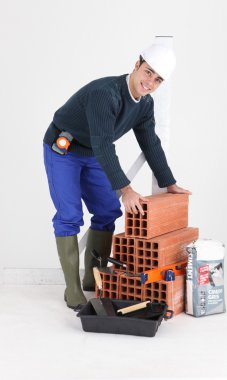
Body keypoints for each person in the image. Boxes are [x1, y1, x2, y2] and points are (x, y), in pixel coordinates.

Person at [43, 43, 191, 311]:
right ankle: (73, 288)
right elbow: (103, 144)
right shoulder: (105, 94)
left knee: (107, 211)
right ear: (136, 65)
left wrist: (169, 182)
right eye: (148, 72)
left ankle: (93, 279)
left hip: (93, 153)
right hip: (63, 150)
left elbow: (150, 142)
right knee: (69, 215)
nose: (150, 82)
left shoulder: (145, 104)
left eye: (158, 79)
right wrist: (126, 189)